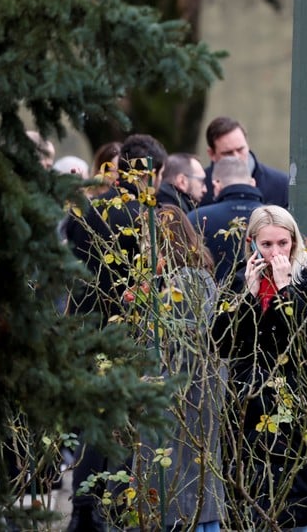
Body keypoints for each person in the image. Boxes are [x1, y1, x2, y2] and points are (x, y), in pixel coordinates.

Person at [64, 134, 168, 532]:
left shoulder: (90, 210)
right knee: (119, 425)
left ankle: (83, 510)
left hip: (87, 328)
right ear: (153, 173)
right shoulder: (144, 216)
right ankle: (109, 509)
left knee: (93, 422)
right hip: (125, 330)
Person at [212, 205, 307, 531]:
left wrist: (285, 292)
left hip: (294, 397)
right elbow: (221, 343)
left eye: (283, 243)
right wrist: (249, 298)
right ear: (252, 242)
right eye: (267, 245)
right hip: (248, 402)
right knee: (251, 501)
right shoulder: (239, 276)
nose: (276, 252)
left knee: (301, 502)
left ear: (294, 240)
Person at [132, 205, 225, 531]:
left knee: (183, 495)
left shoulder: (185, 280)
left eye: (146, 239)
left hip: (184, 401)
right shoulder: (180, 278)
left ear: (164, 241)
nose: (142, 248)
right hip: (184, 399)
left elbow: (185, 345)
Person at [186, 156, 264, 285]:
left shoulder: (196, 218)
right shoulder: (273, 218)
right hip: (265, 302)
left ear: (216, 184)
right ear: (252, 182)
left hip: (208, 302)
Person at [198, 116, 290, 208]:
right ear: (212, 154)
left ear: (247, 145)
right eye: (228, 153)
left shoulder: (281, 185)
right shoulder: (199, 186)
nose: (236, 157)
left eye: (240, 149)